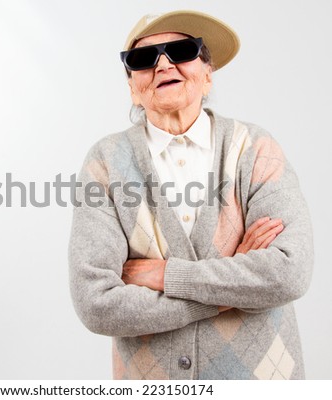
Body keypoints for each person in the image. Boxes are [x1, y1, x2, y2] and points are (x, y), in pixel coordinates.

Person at [68, 10, 313, 380]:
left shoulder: (256, 149)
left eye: (181, 50)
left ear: (208, 74)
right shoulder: (104, 163)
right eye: (143, 59)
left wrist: (168, 275)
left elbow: (288, 273)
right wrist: (228, 292)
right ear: (132, 88)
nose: (164, 64)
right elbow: (97, 305)